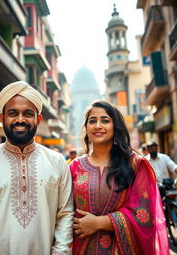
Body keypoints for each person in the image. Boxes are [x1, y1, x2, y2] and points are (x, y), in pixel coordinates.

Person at [0, 81, 74, 255]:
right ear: (2, 117)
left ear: (38, 119)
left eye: (28, 113)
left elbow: (65, 215)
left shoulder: (57, 163)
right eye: (13, 113)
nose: (20, 119)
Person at [69, 100, 169, 255]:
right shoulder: (74, 167)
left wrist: (100, 223)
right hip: (81, 249)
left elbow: (145, 214)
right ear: (86, 128)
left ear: (115, 127)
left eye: (105, 120)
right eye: (92, 121)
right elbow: (64, 213)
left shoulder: (135, 164)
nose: (98, 126)